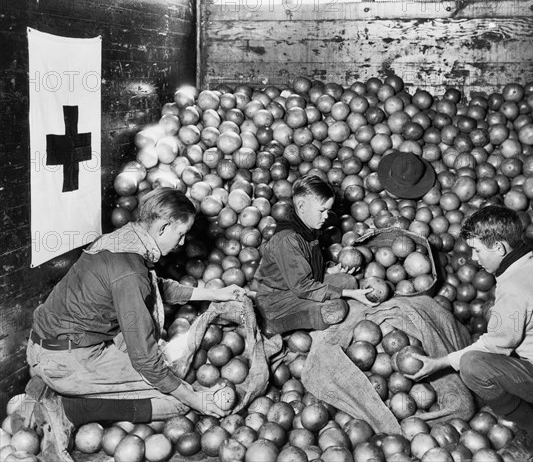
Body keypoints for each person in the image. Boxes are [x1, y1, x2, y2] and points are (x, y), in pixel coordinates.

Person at [14, 188, 246, 462]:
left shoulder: (125, 240)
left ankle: (54, 385)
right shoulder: (130, 270)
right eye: (180, 234)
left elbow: (154, 288)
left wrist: (215, 293)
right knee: (176, 401)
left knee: (168, 375)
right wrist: (195, 400)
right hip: (66, 359)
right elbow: (147, 362)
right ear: (163, 227)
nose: (182, 243)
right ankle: (68, 407)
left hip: (55, 344)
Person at [406, 205, 533, 461]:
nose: (474, 258)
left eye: (477, 250)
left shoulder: (514, 290)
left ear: (498, 248)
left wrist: (440, 362)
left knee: (473, 365)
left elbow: (495, 347)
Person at [252, 174, 373, 336]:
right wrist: (346, 294)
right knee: (336, 309)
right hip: (276, 299)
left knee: (349, 281)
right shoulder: (287, 240)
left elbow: (307, 264)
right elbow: (302, 287)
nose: (326, 217)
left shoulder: (309, 229)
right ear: (301, 206)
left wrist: (329, 271)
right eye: (322, 211)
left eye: (328, 211)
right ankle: (274, 323)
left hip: (298, 286)